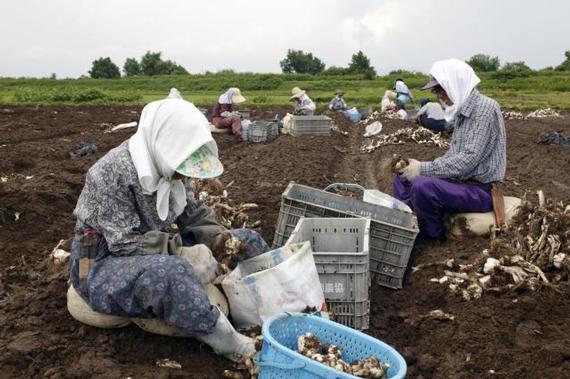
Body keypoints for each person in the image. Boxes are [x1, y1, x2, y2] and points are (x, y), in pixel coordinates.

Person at [69, 96, 270, 362]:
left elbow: (192, 213)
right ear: (165, 145)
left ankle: (269, 309)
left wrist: (220, 240)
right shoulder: (109, 173)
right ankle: (231, 343)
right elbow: (125, 244)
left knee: (246, 241)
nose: (185, 175)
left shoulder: (170, 164)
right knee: (172, 272)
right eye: (182, 167)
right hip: (97, 260)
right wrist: (182, 253)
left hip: (149, 246)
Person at [394, 59, 506, 239]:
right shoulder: (461, 111)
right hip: (460, 183)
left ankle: (431, 238)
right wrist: (418, 167)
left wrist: (423, 169)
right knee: (402, 177)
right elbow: (454, 156)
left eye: (440, 88)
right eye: (435, 90)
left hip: (480, 190)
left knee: (423, 186)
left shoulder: (485, 108)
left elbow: (467, 160)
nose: (437, 94)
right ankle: (405, 225)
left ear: (455, 83)